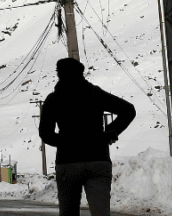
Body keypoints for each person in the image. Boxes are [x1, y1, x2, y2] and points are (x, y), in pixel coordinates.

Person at [39, 57, 136, 216]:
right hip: (97, 159)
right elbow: (128, 110)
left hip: (68, 162)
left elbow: (45, 133)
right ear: (81, 73)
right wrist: (111, 132)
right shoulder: (94, 93)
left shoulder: (54, 99)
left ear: (59, 74)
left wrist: (65, 143)